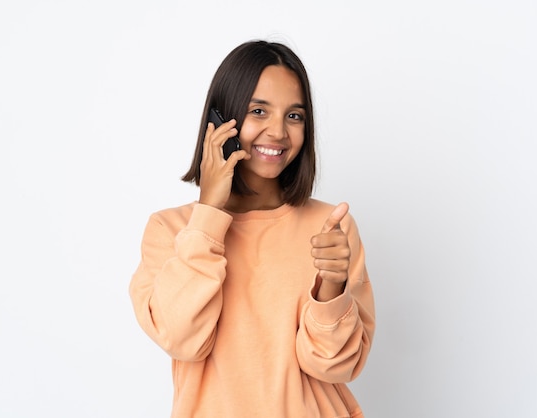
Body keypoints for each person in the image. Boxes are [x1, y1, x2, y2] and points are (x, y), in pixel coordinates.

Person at [129, 40, 375, 418]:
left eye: (294, 116)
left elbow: (335, 365)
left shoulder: (330, 229)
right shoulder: (172, 230)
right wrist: (209, 212)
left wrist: (332, 286)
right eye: (258, 111)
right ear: (220, 119)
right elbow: (183, 340)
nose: (278, 131)